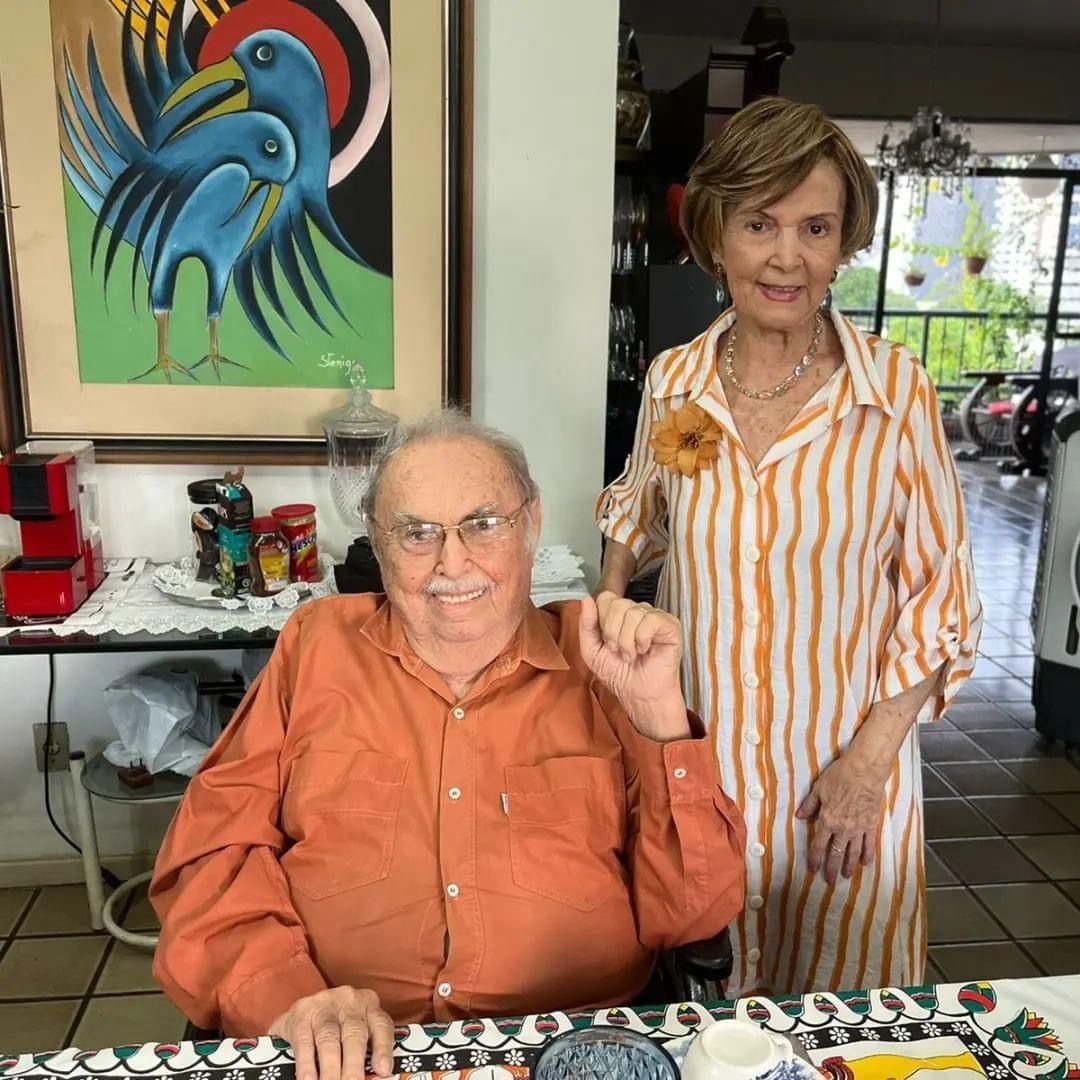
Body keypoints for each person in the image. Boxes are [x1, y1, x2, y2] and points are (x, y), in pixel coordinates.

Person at [151, 412, 746, 1078]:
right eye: (417, 533)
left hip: (574, 1053)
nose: (452, 563)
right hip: (348, 1056)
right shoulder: (315, 649)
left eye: (483, 524)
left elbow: (694, 914)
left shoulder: (602, 660)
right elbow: (213, 855)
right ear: (377, 542)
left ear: (532, 523)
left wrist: (660, 717)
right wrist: (288, 997)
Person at [596, 96, 982, 998]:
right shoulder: (675, 382)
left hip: (843, 781)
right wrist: (611, 600)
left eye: (816, 228)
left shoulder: (896, 392)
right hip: (707, 778)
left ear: (843, 243)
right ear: (715, 233)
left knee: (848, 1021)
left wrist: (869, 765)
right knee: (710, 1014)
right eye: (759, 223)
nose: (786, 257)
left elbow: (941, 595)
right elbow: (638, 511)